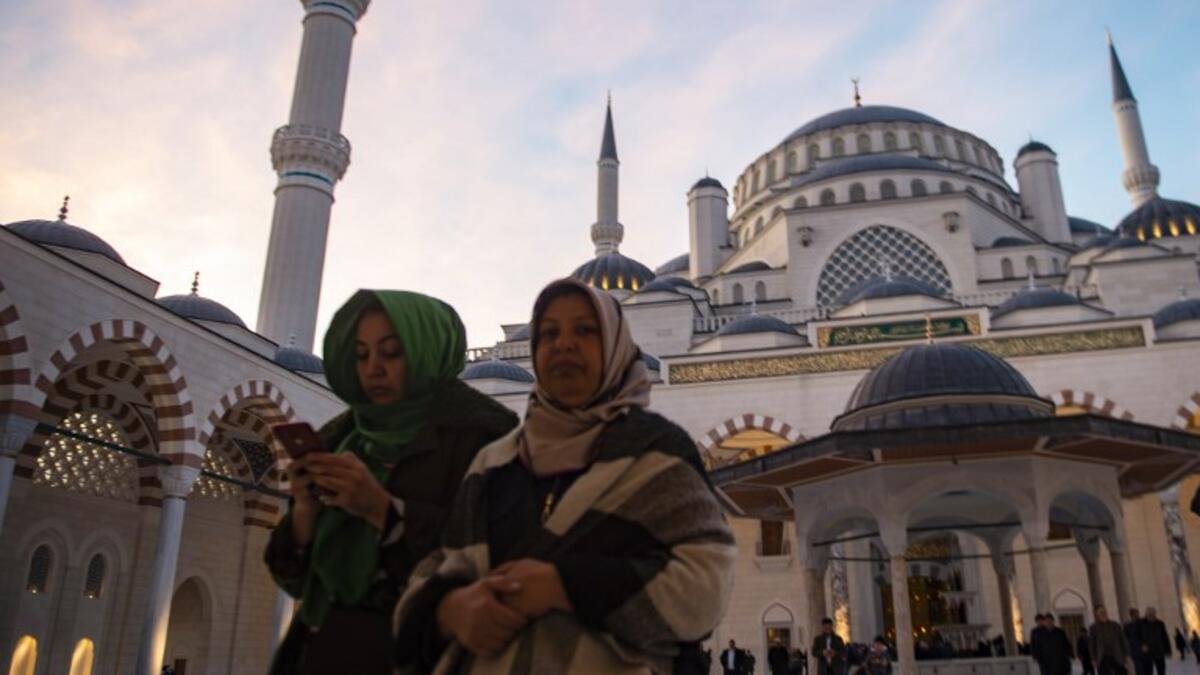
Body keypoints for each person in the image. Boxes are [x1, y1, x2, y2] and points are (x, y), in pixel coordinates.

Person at [392, 278, 737, 674]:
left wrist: (565, 586)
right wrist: (448, 610)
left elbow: (704, 586)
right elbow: (440, 565)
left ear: (613, 346)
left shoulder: (656, 452)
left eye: (585, 330)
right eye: (549, 333)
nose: (564, 344)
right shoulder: (495, 461)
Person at [264, 290, 518, 675]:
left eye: (392, 352)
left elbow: (491, 554)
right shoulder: (343, 439)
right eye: (362, 354)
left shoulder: (484, 439)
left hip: (421, 652)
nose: (373, 369)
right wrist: (304, 510)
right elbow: (297, 581)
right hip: (322, 647)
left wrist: (384, 512)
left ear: (425, 352)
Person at [1090, 605, 1130, 675]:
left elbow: (1123, 640)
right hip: (1102, 657)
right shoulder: (1094, 628)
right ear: (1097, 614)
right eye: (1101, 612)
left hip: (1117, 656)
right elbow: (1092, 644)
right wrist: (1093, 659)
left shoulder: (1115, 625)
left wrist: (1127, 655)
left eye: (1104, 611)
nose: (1103, 613)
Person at [1140, 608, 1170, 675]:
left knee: (1161, 670)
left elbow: (1165, 637)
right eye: (1149, 615)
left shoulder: (1160, 623)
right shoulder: (1141, 624)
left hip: (1159, 650)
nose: (1151, 616)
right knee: (1147, 671)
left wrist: (1167, 650)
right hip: (1147, 652)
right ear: (1146, 615)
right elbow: (1136, 637)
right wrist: (1142, 645)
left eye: (1152, 615)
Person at [1126, 610, 1147, 675]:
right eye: (1135, 614)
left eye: (1137, 614)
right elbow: (1127, 639)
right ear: (1131, 616)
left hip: (1145, 651)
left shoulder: (1143, 623)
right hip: (1135, 652)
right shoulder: (1128, 626)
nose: (1137, 616)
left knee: (1147, 669)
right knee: (1139, 670)